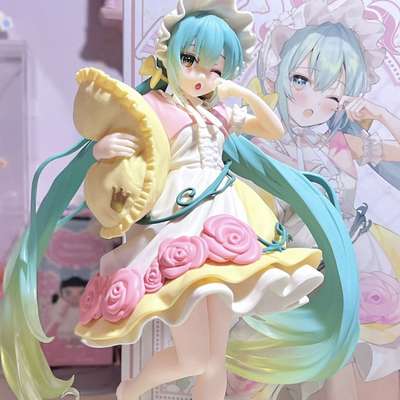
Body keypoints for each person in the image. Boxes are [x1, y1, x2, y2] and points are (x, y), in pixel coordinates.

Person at [0, 1, 359, 400]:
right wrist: (104, 149)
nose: (201, 75)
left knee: (214, 358)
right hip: (178, 223)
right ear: (169, 55)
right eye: (190, 60)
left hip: (224, 220)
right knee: (196, 358)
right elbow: (119, 145)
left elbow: (272, 129)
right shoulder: (154, 107)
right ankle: (131, 387)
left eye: (215, 69)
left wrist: (239, 92)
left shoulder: (218, 115)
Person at [233, 0, 400, 398]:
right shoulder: (260, 145)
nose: (311, 102)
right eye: (302, 80)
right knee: (276, 358)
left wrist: (379, 114)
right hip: (292, 260)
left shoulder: (344, 142)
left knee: (357, 355)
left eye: (333, 95)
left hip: (354, 253)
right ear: (280, 73)